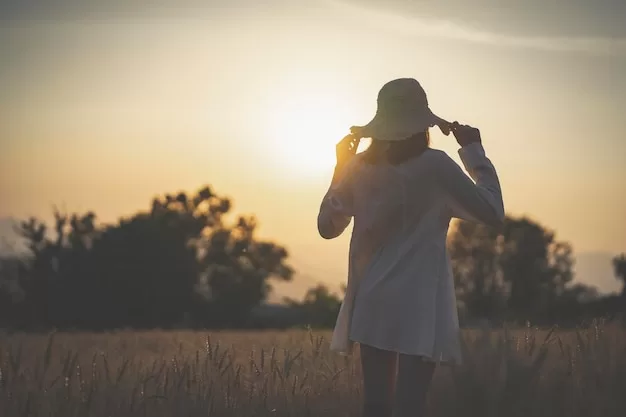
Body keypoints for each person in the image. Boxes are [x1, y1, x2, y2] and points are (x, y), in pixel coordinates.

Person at [317, 78, 504, 417]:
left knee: (375, 405)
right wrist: (475, 153)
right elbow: (492, 212)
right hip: (419, 299)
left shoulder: (359, 168)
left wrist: (340, 167)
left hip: (373, 296)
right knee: (410, 405)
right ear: (422, 124)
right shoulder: (435, 165)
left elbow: (327, 227)